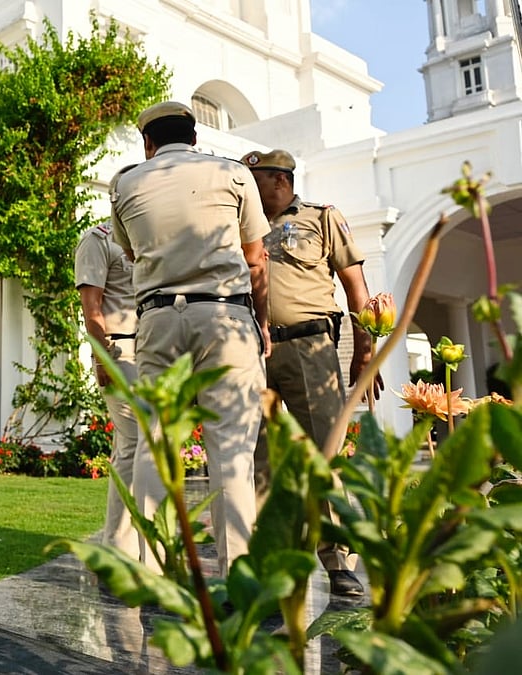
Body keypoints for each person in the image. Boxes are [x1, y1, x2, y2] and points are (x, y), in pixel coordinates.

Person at [110, 101, 270, 577]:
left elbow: (131, 251)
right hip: (224, 314)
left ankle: (154, 571)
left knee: (155, 444)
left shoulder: (125, 185)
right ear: (195, 137)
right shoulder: (234, 175)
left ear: (148, 142)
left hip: (158, 318)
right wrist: (261, 323)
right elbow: (255, 257)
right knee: (231, 448)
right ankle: (238, 573)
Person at [241, 148, 383, 598]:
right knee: (258, 458)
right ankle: (268, 562)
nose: (247, 189)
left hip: (310, 347)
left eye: (255, 180)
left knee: (324, 452)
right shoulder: (240, 225)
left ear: (280, 180)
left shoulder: (322, 217)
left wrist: (365, 351)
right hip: (252, 350)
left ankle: (338, 560)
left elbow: (356, 287)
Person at [75, 186, 140, 558]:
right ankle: (124, 549)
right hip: (120, 348)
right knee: (138, 444)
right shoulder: (98, 239)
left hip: (154, 349)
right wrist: (102, 359)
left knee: (132, 449)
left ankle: (121, 546)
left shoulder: (149, 237)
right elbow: (92, 307)